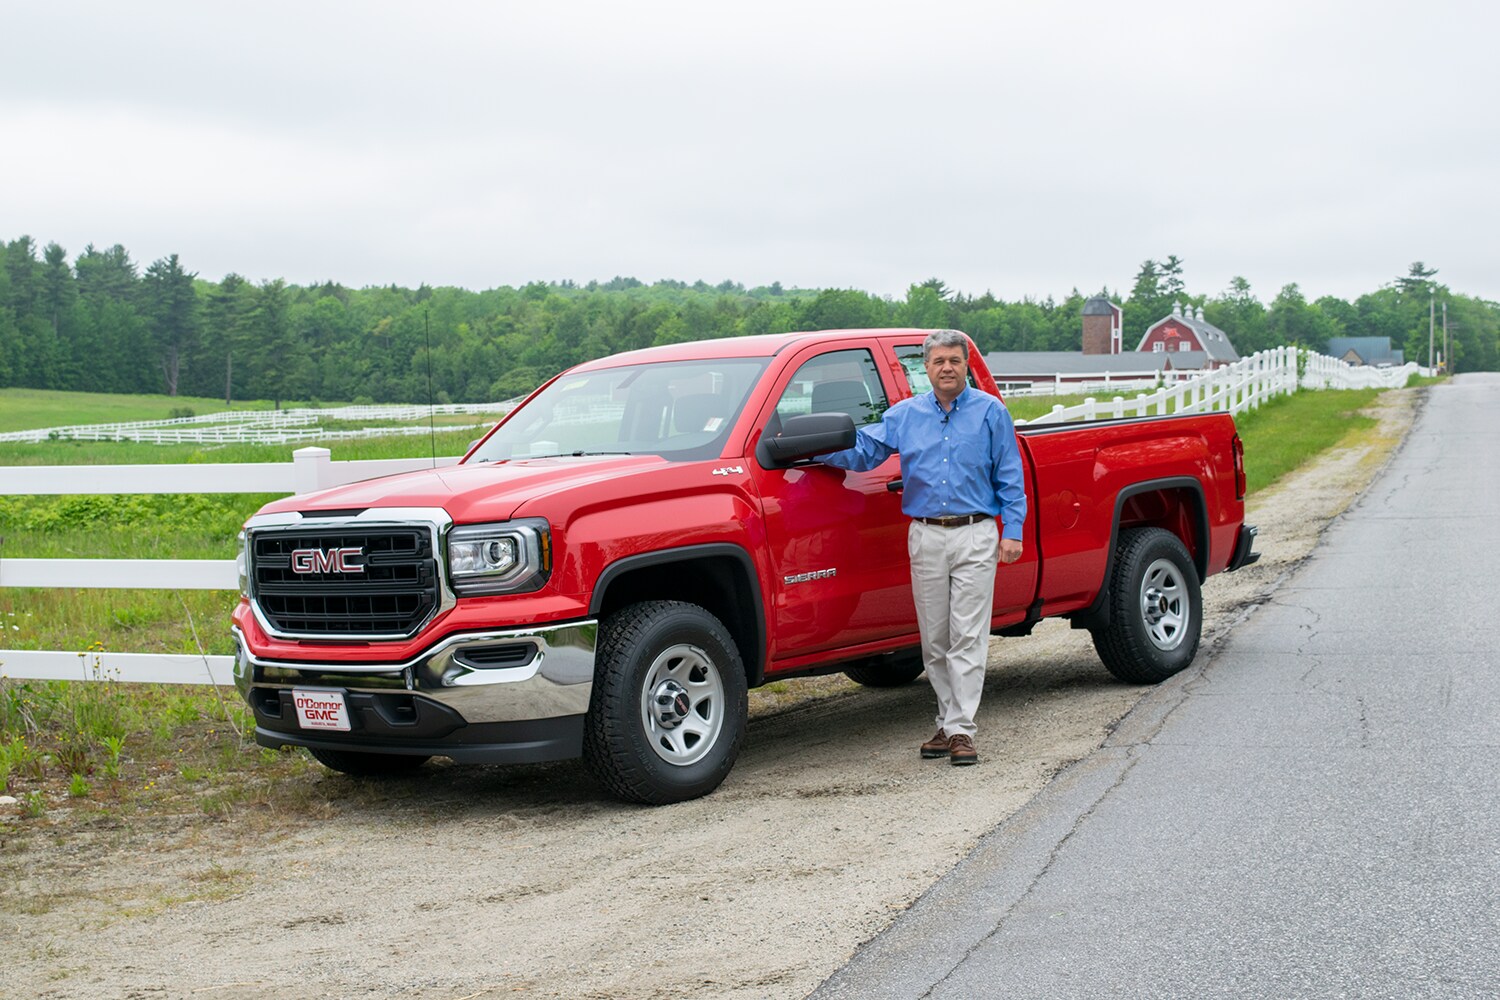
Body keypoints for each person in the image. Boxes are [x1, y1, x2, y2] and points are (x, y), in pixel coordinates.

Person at [819, 329, 1026, 766]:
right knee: (934, 640)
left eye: (954, 360)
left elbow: (1010, 473)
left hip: (976, 532)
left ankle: (961, 732)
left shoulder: (991, 413)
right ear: (925, 367)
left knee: (967, 636)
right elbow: (865, 451)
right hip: (926, 534)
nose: (947, 367)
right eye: (938, 361)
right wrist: (818, 448)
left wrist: (1014, 531)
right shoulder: (904, 415)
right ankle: (949, 722)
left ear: (966, 364)